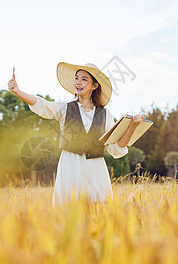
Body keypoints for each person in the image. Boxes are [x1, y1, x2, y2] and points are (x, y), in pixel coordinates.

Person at [8, 63, 144, 207]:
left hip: (95, 169)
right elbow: (43, 105)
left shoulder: (106, 115)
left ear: (94, 86)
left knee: (99, 210)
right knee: (68, 209)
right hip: (70, 166)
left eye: (84, 79)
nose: (78, 82)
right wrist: (18, 91)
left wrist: (133, 127)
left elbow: (116, 148)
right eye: (76, 78)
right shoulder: (65, 108)